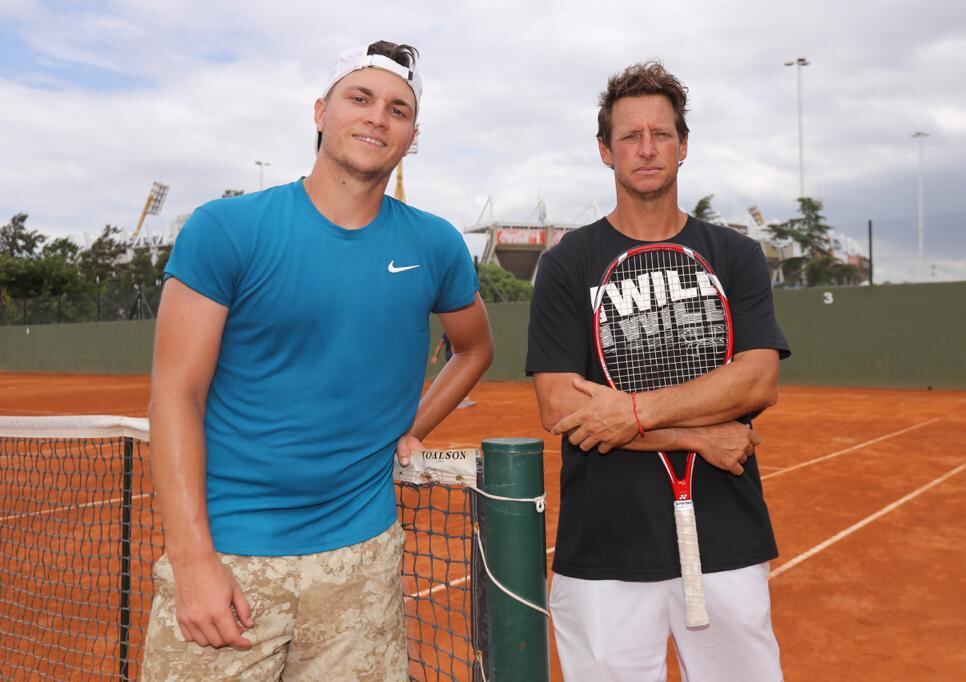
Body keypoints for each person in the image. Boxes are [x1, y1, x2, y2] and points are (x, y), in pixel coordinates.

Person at [143, 41, 492, 680]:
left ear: (412, 137)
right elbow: (176, 394)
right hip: (229, 561)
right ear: (320, 111)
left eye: (398, 109)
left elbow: (475, 347)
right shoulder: (225, 229)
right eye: (360, 98)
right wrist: (191, 562)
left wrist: (413, 426)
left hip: (363, 563)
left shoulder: (437, 244)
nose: (377, 117)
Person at [526, 61, 790, 681]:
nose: (646, 149)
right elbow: (561, 407)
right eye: (629, 136)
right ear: (605, 150)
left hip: (727, 534)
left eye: (661, 134)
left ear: (683, 145)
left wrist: (631, 412)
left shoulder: (736, 255)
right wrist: (699, 434)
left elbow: (757, 380)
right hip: (603, 547)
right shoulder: (567, 264)